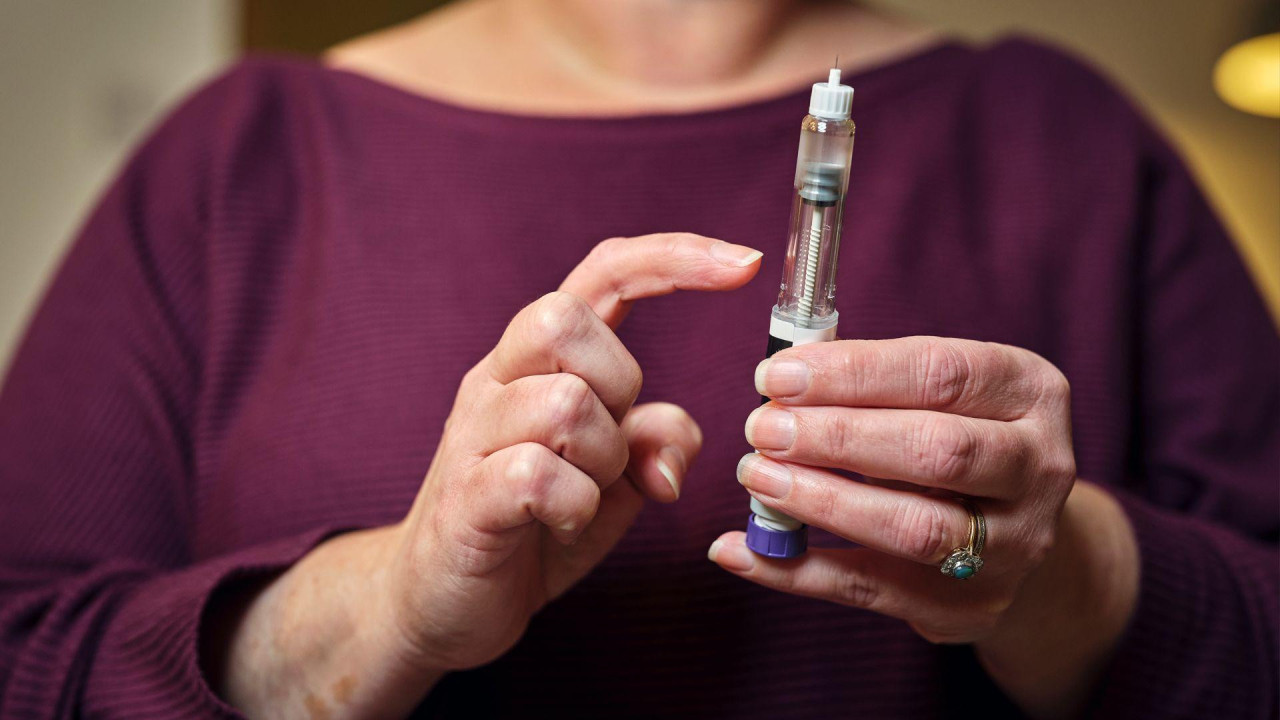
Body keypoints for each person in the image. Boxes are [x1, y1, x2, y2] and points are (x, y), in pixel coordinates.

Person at [0, 1, 1275, 718]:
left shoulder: (1068, 139)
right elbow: (25, 658)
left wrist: (1075, 580)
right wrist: (377, 613)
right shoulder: (243, 157)